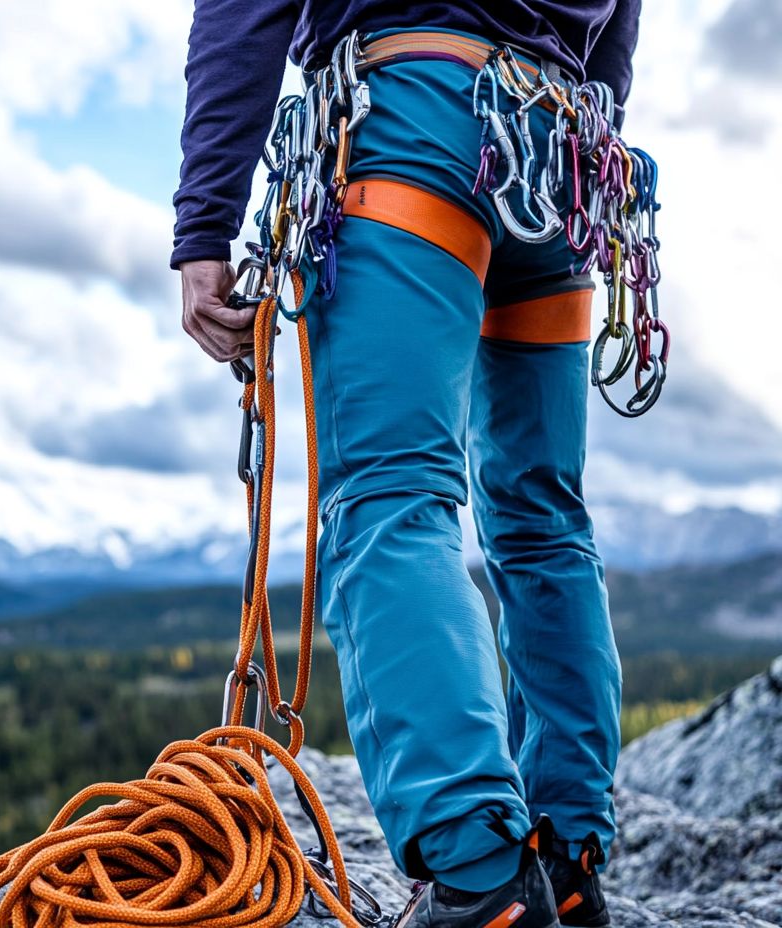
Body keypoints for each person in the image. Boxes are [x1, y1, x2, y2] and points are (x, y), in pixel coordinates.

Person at [172, 4, 639, 928]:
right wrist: (586, 122)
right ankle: (567, 855)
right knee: (545, 517)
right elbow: (616, 30)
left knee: (391, 498)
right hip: (562, 157)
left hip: (413, 121)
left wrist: (205, 223)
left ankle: (479, 875)